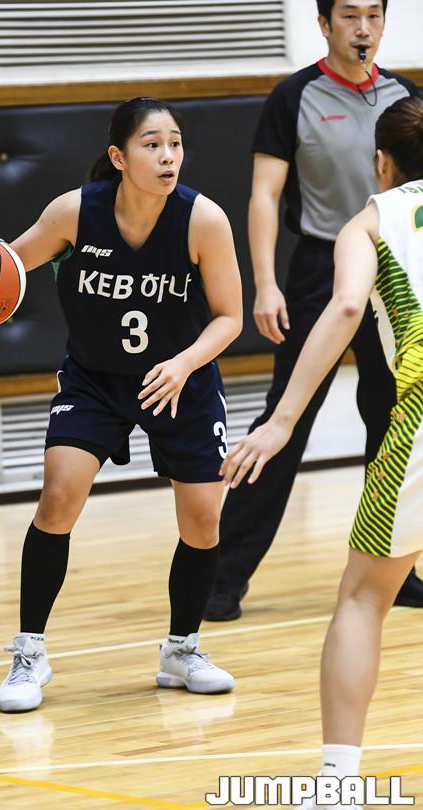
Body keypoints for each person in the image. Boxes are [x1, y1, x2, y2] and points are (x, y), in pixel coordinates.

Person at [0, 97, 243, 711]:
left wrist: (183, 363)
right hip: (95, 381)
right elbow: (6, 264)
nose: (168, 156)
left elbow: (230, 317)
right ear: (119, 158)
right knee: (58, 497)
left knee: (204, 519)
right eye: (152, 145)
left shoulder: (204, 220)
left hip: (179, 379)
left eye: (175, 143)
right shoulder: (75, 212)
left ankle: (182, 650)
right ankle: (29, 653)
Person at [221, 95, 423, 810]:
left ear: (381, 163)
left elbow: (344, 309)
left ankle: (338, 783)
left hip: (420, 422)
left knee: (363, 599)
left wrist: (282, 421)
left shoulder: (369, 222)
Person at [205, 0, 423, 622]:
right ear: (325, 24)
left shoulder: (405, 98)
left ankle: (399, 568)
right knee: (287, 417)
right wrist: (266, 284)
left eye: (374, 16)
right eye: (350, 16)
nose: (363, 28)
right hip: (320, 267)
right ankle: (221, 577)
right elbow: (264, 195)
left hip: (395, 263)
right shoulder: (293, 96)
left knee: (393, 420)